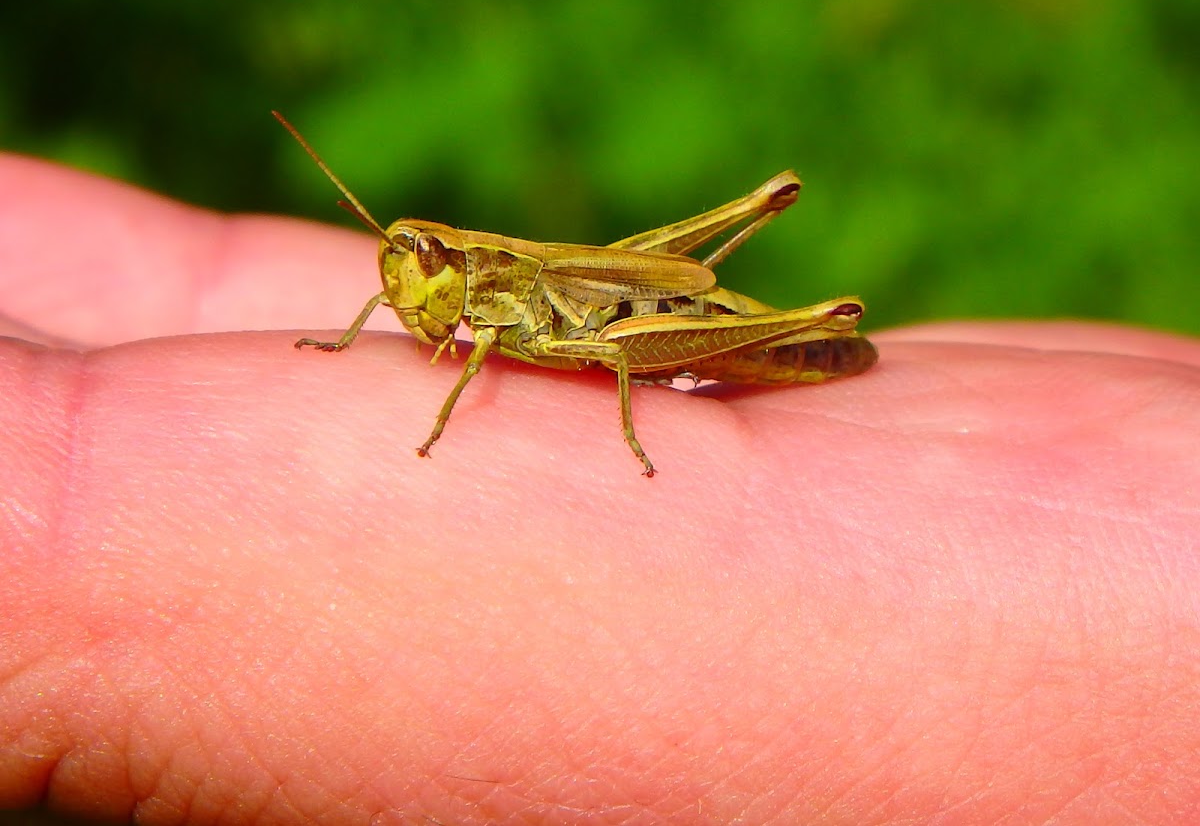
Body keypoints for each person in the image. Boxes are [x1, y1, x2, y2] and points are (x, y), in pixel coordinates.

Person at [2, 152, 1198, 824]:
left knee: (636, 342)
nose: (409, 282)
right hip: (621, 304)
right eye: (399, 264)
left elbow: (585, 347)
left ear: (465, 268)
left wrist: (607, 430)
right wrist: (341, 337)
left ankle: (802, 320)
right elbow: (410, 315)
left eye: (422, 264)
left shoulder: (510, 308)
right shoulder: (448, 297)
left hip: (647, 326)